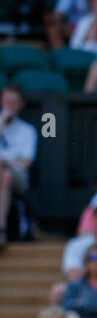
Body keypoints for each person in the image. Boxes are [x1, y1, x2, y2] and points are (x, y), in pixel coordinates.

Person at [0, 83, 38, 249]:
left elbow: (26, 164)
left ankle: (0, 229)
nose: (10, 106)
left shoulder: (27, 130)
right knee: (4, 175)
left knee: (6, 174)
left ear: (21, 104)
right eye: (7, 102)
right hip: (6, 175)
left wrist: (4, 161)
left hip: (18, 178)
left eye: (14, 103)